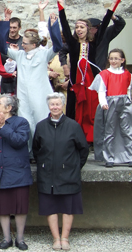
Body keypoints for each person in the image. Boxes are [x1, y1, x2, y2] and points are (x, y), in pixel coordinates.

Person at [0, 0, 62, 157]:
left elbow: (57, 45)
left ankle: (44, 152)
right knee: (26, 122)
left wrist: (53, 25)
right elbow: (2, 47)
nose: (22, 45)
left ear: (33, 44)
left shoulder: (43, 54)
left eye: (25, 44)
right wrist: (2, 21)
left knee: (42, 121)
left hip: (40, 94)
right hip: (23, 95)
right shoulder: (19, 55)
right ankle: (28, 152)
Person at [54, 0, 119, 142]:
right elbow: (63, 23)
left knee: (90, 109)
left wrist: (113, 5)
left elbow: (105, 23)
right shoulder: (72, 43)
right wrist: (60, 4)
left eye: (82, 27)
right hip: (76, 82)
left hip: (91, 81)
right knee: (73, 107)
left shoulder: (94, 43)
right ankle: (73, 137)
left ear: (88, 29)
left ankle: (92, 138)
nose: (78, 29)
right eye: (77, 27)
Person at [33, 92, 89, 251]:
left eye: (58, 104)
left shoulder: (73, 126)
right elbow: (36, 149)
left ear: (63, 105)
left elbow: (83, 149)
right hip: (47, 174)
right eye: (52, 104)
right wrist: (44, 165)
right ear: (49, 106)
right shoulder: (41, 126)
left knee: (67, 207)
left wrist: (75, 167)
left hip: (68, 174)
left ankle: (65, 238)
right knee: (50, 207)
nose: (55, 107)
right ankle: (55, 238)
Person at [0, 94, 32, 251]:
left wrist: (3, 128)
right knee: (2, 208)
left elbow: (19, 141)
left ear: (9, 108)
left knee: (20, 207)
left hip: (17, 172)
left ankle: (20, 239)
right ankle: (7, 238)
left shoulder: (21, 123)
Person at [89, 49, 132, 167]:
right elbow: (102, 90)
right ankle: (109, 157)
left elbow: (128, 90)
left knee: (127, 130)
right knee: (110, 131)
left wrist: (129, 102)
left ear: (122, 60)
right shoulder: (105, 74)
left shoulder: (128, 74)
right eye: (111, 58)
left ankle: (129, 155)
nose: (113, 61)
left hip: (124, 104)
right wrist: (103, 102)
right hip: (111, 103)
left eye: (116, 59)